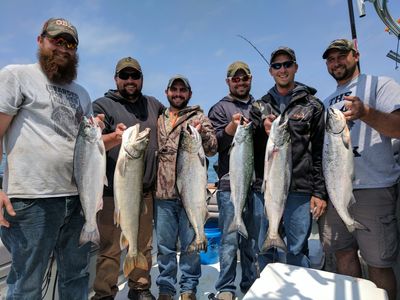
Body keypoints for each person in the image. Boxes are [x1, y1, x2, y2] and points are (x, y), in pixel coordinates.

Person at [0, 17, 93, 299]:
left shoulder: (82, 93)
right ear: (40, 41)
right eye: (57, 40)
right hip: (30, 200)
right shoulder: (16, 76)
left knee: (76, 275)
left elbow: (82, 144)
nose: (63, 48)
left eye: (70, 44)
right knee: (28, 281)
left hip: (77, 199)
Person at [320, 38, 400, 300]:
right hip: (336, 191)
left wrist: (366, 113)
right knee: (342, 253)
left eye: (341, 56)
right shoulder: (327, 101)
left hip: (373, 188)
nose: (336, 62)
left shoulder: (381, 84)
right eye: (330, 59)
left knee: (378, 262)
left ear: (356, 55)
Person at [91, 57, 164, 300]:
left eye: (135, 76)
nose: (130, 81)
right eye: (125, 76)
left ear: (142, 79)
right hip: (112, 192)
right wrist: (113, 136)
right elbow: (91, 144)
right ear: (116, 79)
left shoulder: (153, 104)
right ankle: (104, 293)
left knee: (143, 244)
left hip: (144, 191)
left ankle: (140, 287)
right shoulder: (102, 105)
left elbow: (172, 123)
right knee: (110, 248)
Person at [250, 47, 327, 270]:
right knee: (265, 248)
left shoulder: (313, 105)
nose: (282, 69)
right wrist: (260, 130)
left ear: (295, 67)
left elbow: (321, 151)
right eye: (277, 65)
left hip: (300, 189)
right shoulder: (259, 105)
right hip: (268, 189)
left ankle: (297, 291)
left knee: (297, 249)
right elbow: (250, 146)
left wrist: (319, 192)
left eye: (287, 64)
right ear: (270, 71)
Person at [154, 75, 217, 300]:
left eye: (183, 90)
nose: (178, 94)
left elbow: (211, 149)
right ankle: (166, 288)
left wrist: (202, 133)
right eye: (174, 90)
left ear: (189, 94)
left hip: (191, 195)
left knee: (191, 245)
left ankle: (188, 288)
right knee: (165, 247)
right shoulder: (159, 117)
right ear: (167, 92)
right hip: (163, 194)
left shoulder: (198, 116)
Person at [208, 61, 259, 300]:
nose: (240, 82)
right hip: (229, 186)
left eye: (244, 78)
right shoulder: (219, 108)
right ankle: (226, 287)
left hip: (256, 185)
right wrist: (230, 128)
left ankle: (250, 282)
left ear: (250, 79)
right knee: (229, 241)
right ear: (228, 81)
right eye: (235, 78)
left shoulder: (260, 107)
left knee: (251, 241)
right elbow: (213, 144)